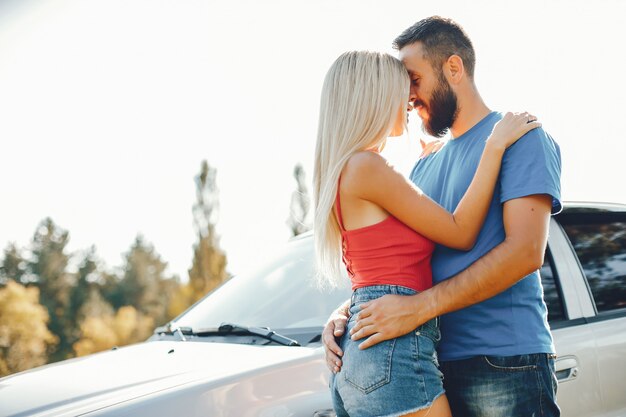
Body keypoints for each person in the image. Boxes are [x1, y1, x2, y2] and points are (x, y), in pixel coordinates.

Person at [322, 17, 562, 417]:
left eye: (413, 79)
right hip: (424, 358)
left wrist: (418, 308)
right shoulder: (420, 168)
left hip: (502, 361)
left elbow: (525, 253)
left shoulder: (521, 139)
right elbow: (400, 258)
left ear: (453, 68)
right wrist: (349, 312)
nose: (407, 95)